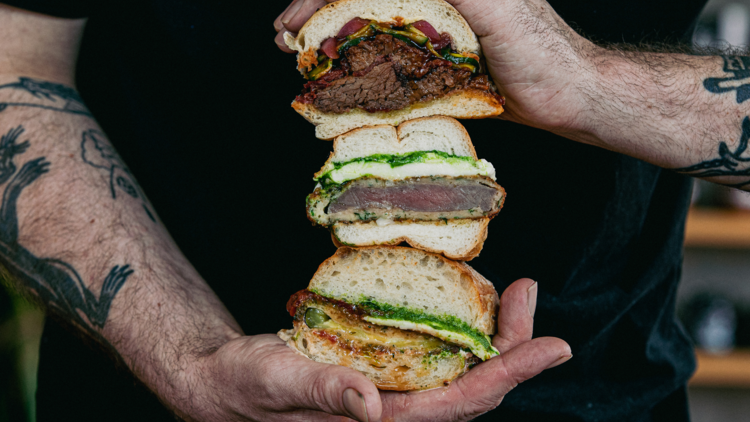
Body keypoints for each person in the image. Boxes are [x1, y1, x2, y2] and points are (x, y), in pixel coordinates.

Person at [0, 0, 738, 420]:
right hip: (148, 389)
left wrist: (588, 82)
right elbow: (13, 62)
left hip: (603, 391)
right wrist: (189, 360)